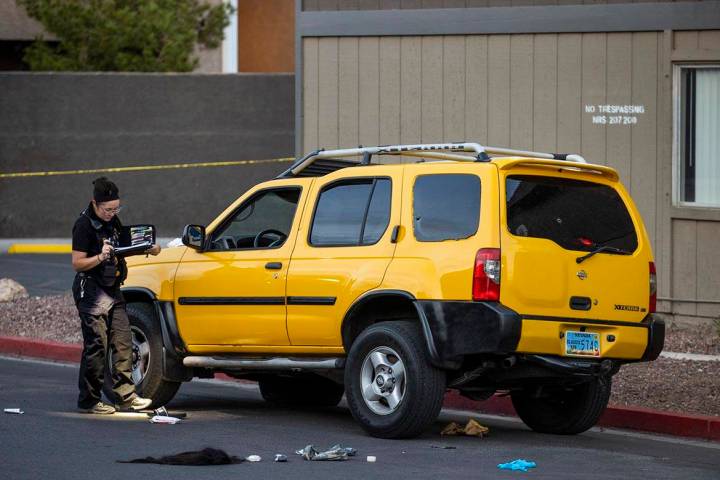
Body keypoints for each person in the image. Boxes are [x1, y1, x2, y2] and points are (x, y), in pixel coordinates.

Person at [71, 177, 161, 414]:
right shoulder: (84, 225)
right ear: (95, 203)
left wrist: (147, 248)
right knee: (97, 347)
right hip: (91, 291)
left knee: (122, 342)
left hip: (112, 289)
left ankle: (125, 397)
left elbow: (121, 248)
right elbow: (77, 263)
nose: (112, 213)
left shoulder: (113, 222)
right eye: (108, 209)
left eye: (116, 208)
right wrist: (100, 257)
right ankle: (88, 401)